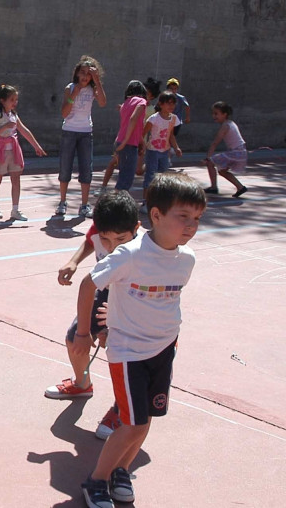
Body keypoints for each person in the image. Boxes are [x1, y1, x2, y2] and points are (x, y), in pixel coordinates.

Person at [78, 173, 206, 507]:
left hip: (164, 348)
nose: (191, 225)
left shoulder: (187, 260)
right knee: (132, 424)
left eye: (196, 218)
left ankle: (121, 468)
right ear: (156, 215)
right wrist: (84, 332)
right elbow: (89, 285)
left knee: (145, 420)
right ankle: (96, 481)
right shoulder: (130, 254)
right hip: (129, 353)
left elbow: (157, 300)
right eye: (183, 216)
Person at [47, 190, 139, 442]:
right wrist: (74, 261)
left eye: (120, 239)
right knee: (73, 339)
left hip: (132, 301)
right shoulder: (99, 232)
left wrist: (113, 324)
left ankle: (122, 409)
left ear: (136, 229)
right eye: (106, 239)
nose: (112, 247)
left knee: (123, 355)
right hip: (103, 291)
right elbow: (91, 241)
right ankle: (82, 384)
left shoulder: (142, 252)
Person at [0, 84, 46, 221]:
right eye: (12, 99)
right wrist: (5, 126)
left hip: (13, 151)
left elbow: (24, 130)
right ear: (2, 100)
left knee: (16, 178)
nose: (15, 102)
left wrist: (36, 146)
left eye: (16, 99)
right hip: (0, 151)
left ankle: (15, 209)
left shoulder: (13, 115)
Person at [56, 56, 107, 217]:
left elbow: (103, 103)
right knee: (65, 168)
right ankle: (62, 202)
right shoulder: (70, 88)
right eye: (82, 72)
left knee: (86, 170)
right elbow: (64, 113)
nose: (85, 76)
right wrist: (74, 94)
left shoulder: (93, 89)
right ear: (77, 73)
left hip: (86, 133)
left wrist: (97, 81)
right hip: (69, 132)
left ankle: (85, 205)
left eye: (89, 73)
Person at [101, 81, 148, 192]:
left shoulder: (126, 103)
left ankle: (116, 200)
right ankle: (117, 203)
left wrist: (141, 142)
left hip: (122, 141)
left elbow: (132, 126)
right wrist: (126, 141)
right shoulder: (142, 102)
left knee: (123, 175)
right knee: (126, 179)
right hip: (128, 144)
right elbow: (133, 119)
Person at [203, 101, 249, 197]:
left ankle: (213, 188)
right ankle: (240, 187)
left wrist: (208, 157)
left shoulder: (225, 126)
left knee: (210, 162)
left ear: (225, 114)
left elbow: (215, 143)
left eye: (216, 114)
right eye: (213, 113)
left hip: (237, 152)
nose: (214, 116)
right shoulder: (230, 123)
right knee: (222, 171)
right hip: (240, 152)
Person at [141, 91, 182, 192]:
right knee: (150, 175)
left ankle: (159, 198)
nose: (171, 106)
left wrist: (176, 147)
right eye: (168, 103)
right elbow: (143, 133)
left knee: (163, 176)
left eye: (173, 103)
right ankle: (146, 201)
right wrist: (142, 146)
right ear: (160, 103)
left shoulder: (173, 118)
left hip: (164, 151)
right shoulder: (154, 118)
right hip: (152, 151)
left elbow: (171, 135)